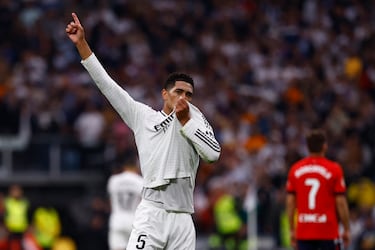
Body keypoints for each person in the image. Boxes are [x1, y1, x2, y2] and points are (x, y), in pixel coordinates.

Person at [65, 12, 221, 250]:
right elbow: (108, 86)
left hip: (182, 218)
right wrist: (82, 45)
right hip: (152, 214)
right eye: (179, 92)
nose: (184, 97)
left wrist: (187, 121)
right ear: (165, 94)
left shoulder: (195, 118)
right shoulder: (143, 117)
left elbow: (213, 154)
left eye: (189, 94)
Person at [286, 129, 351, 250]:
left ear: (307, 147)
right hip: (328, 231)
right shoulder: (334, 169)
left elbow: (290, 203)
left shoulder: (295, 169)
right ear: (324, 146)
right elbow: (341, 202)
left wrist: (291, 229)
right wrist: (347, 229)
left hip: (304, 231)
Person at [107, 162, 143, 250]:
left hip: (117, 220)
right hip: (134, 221)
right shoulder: (140, 181)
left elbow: (111, 202)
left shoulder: (113, 180)